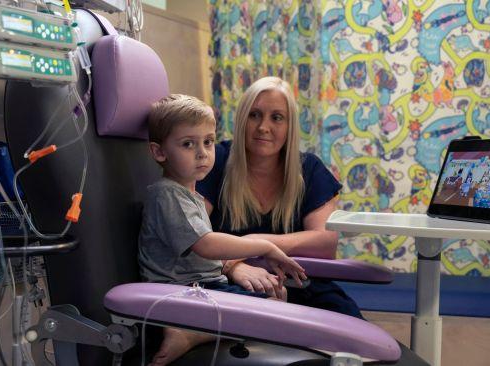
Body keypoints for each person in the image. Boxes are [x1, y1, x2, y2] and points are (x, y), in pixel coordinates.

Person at [138, 94, 306, 366]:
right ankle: (191, 334)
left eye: (208, 142)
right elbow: (206, 245)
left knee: (275, 302)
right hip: (182, 294)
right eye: (188, 144)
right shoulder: (167, 195)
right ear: (159, 152)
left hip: (203, 287)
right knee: (277, 314)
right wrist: (266, 246)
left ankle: (201, 331)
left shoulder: (186, 194)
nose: (202, 152)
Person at [197, 76, 364, 319]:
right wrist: (233, 266)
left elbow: (325, 244)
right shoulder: (215, 160)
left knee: (359, 339)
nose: (263, 127)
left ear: (290, 126)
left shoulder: (310, 169)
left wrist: (254, 242)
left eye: (276, 117)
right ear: (242, 119)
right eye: (254, 115)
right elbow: (191, 237)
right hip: (229, 285)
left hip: (303, 285)